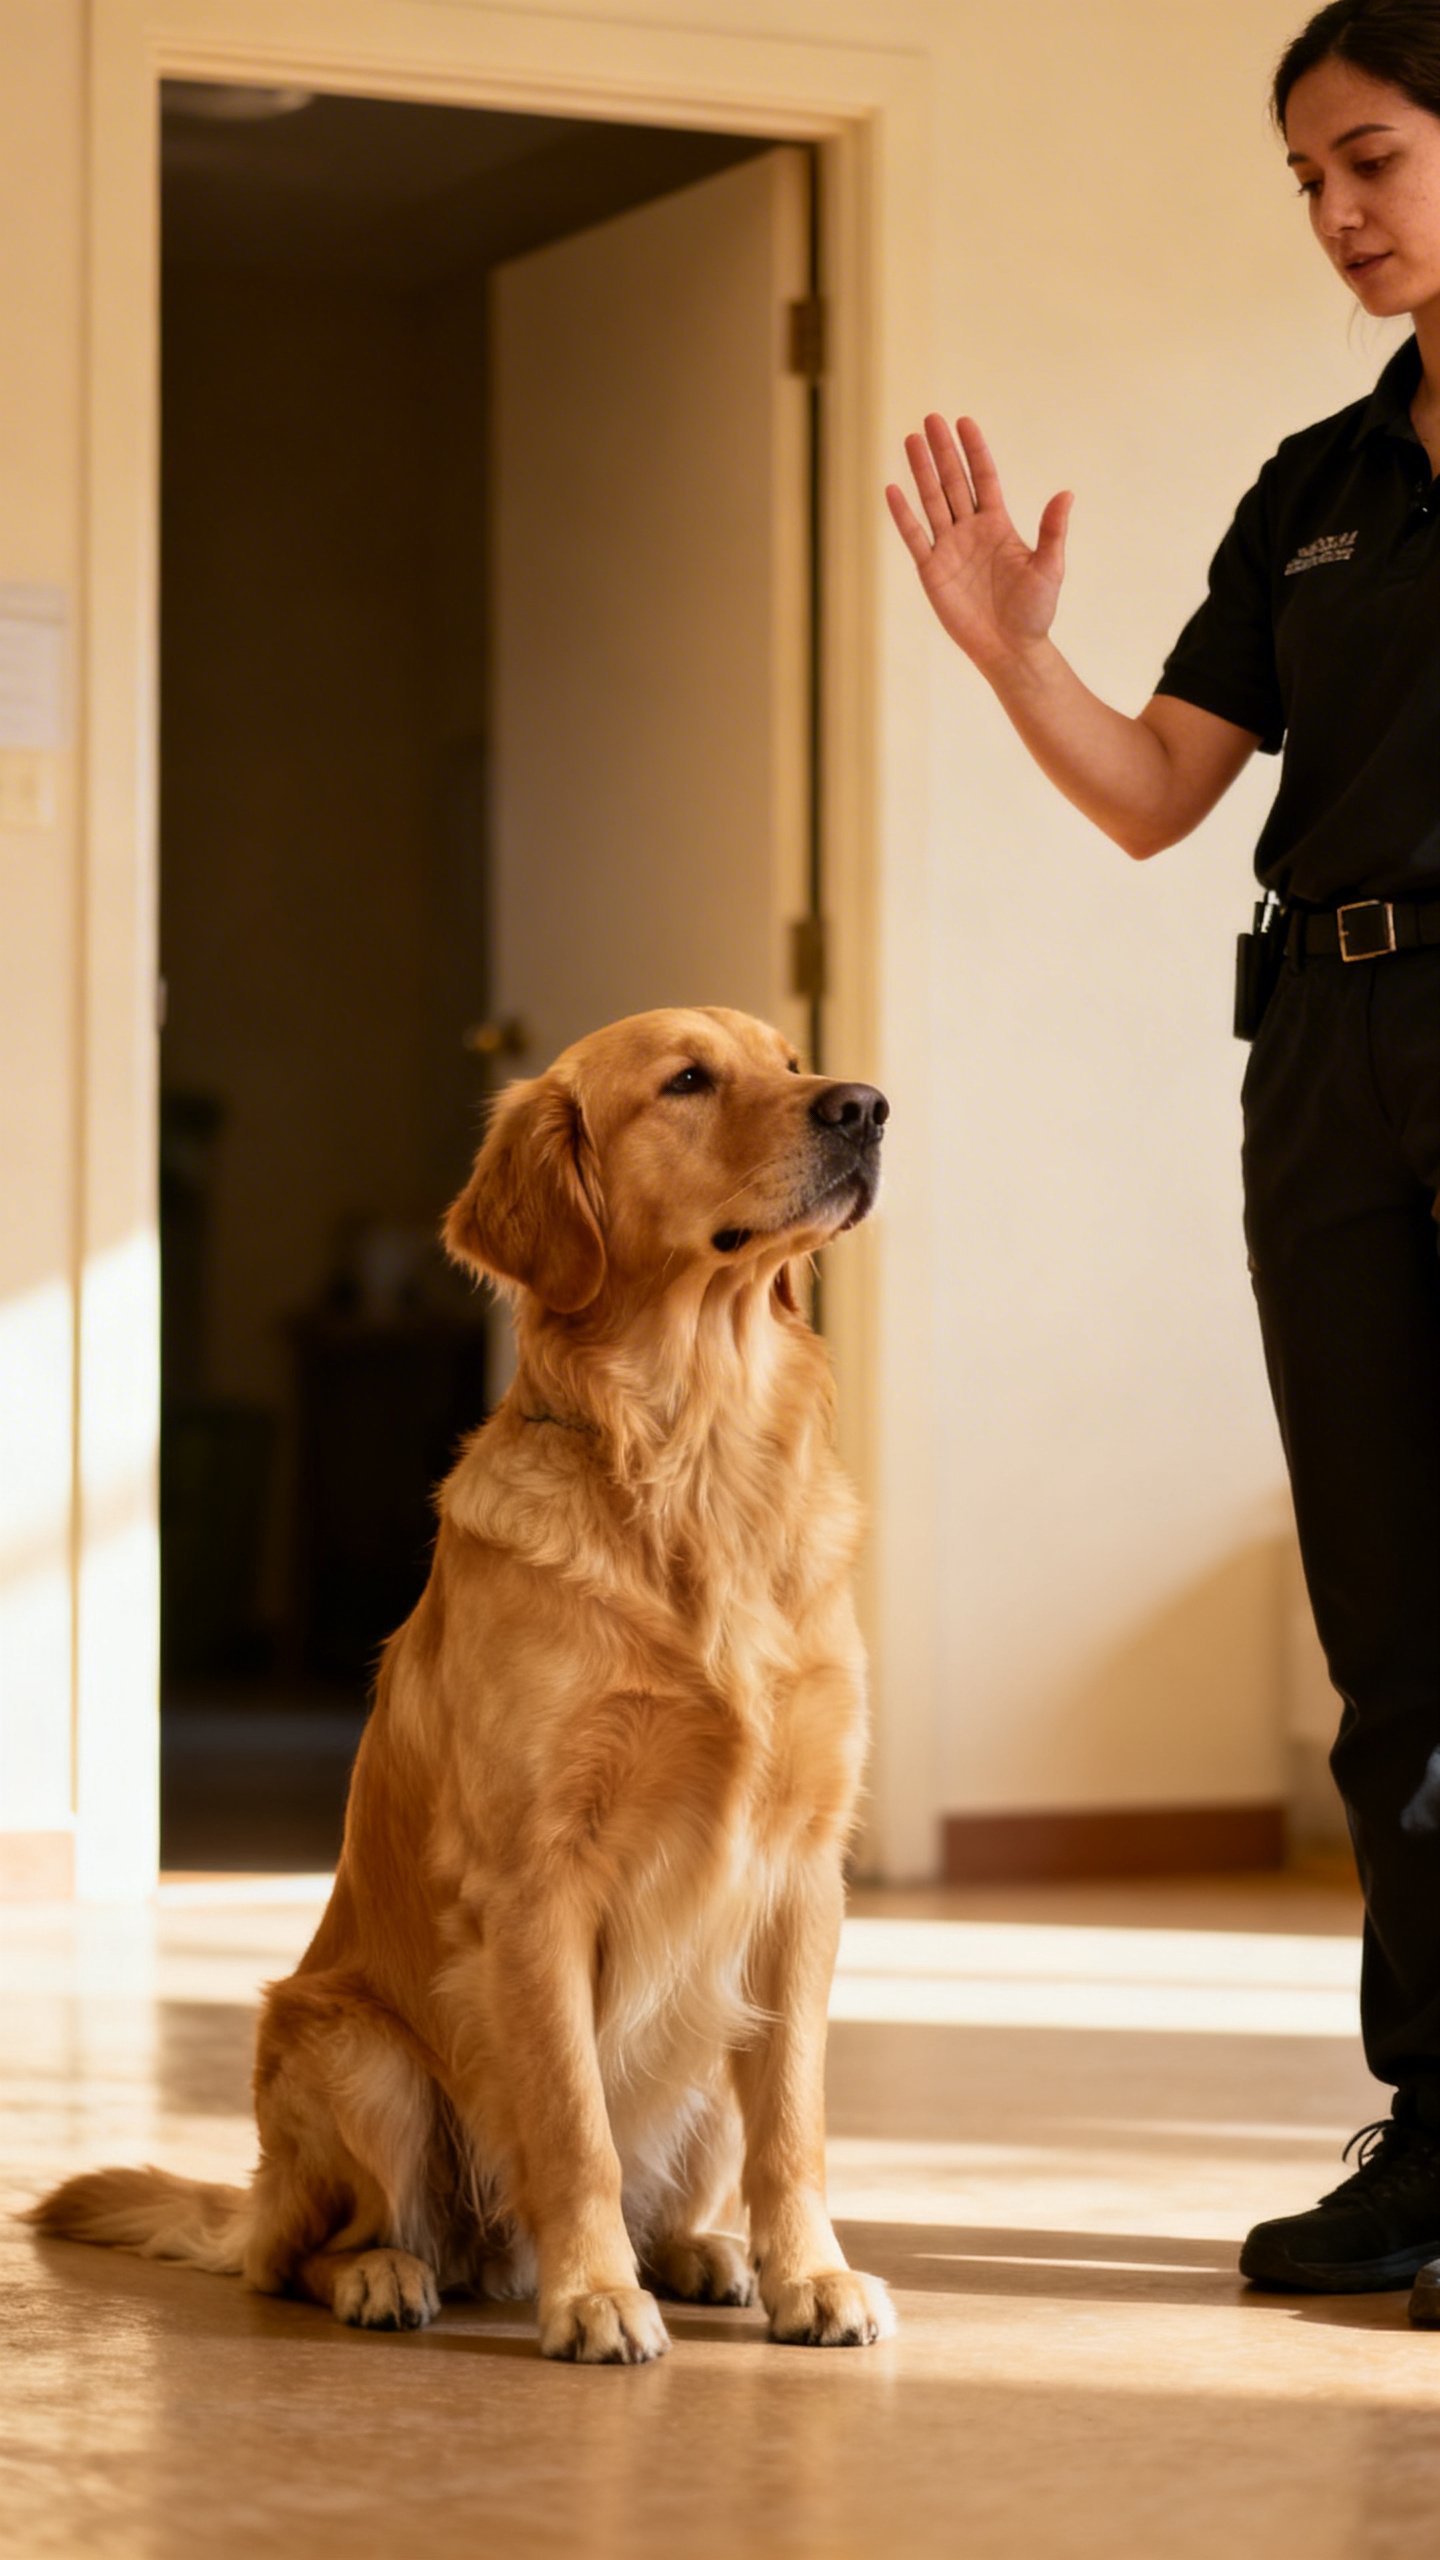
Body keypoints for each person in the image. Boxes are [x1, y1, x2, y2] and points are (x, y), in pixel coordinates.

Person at [887, 0, 1440, 2323]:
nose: (1333, 213)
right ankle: (1438, 2125)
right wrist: (1017, 653)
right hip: (1323, 1047)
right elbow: (1151, 794)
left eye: (1376, 159)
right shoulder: (1312, 484)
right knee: (1397, 1628)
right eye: (1307, 178)